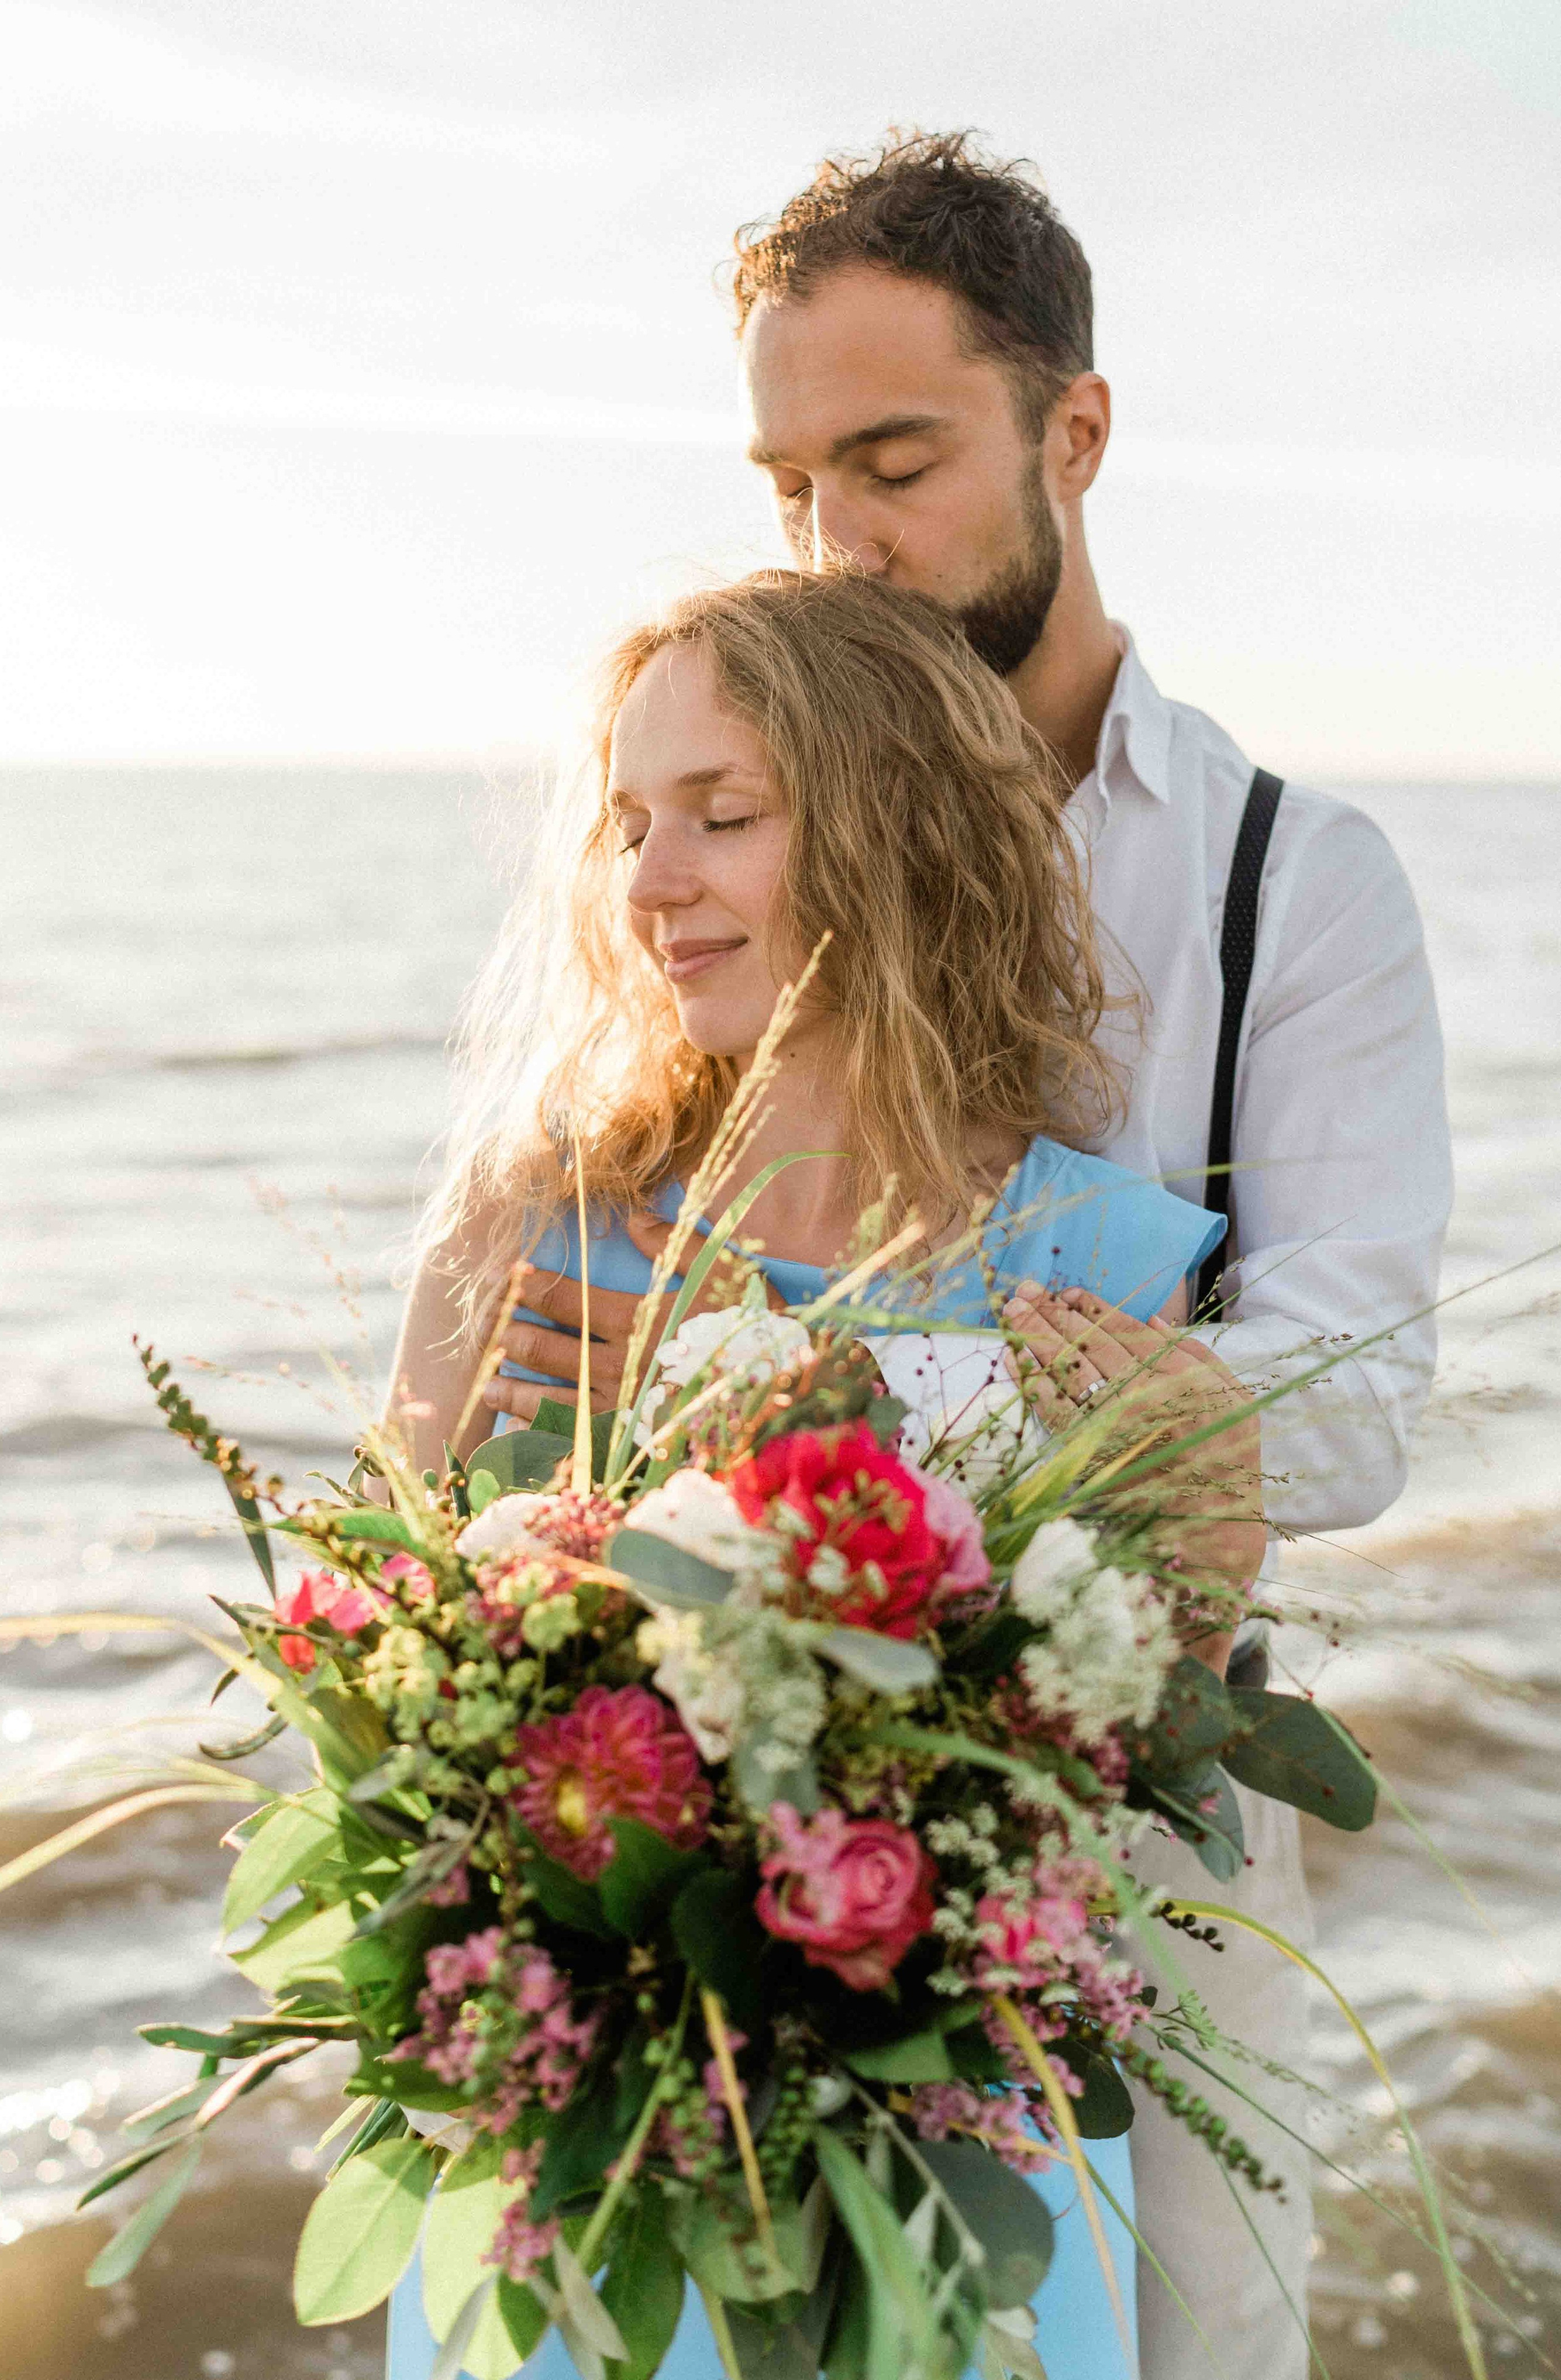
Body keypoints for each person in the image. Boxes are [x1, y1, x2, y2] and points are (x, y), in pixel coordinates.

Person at [491, 136, 1454, 2376]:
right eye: (790, 482)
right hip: (733, 1831)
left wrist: (853, 1421)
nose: (837, 538)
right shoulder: (712, 828)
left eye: (896, 463)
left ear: (1073, 433)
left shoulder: (1289, 882)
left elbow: (1351, 1396)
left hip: (1144, 1817)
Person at [385, 569, 1268, 2378]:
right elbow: (381, 1667)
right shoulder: (537, 1221)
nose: (651, 881)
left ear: (897, 831)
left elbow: (1132, 1778)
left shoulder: (1101, 1267)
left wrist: (1219, 1541)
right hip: (593, 2172)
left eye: (722, 815)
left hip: (962, 2164)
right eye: (630, 824)